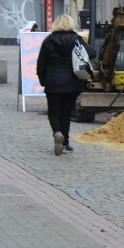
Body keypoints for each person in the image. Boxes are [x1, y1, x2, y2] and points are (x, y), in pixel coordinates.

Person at [36, 14, 96, 155]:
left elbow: (41, 64)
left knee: (53, 112)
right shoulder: (76, 40)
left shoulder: (49, 41)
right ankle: (66, 143)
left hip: (53, 83)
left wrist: (43, 81)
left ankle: (57, 133)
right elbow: (92, 53)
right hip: (72, 83)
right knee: (66, 113)